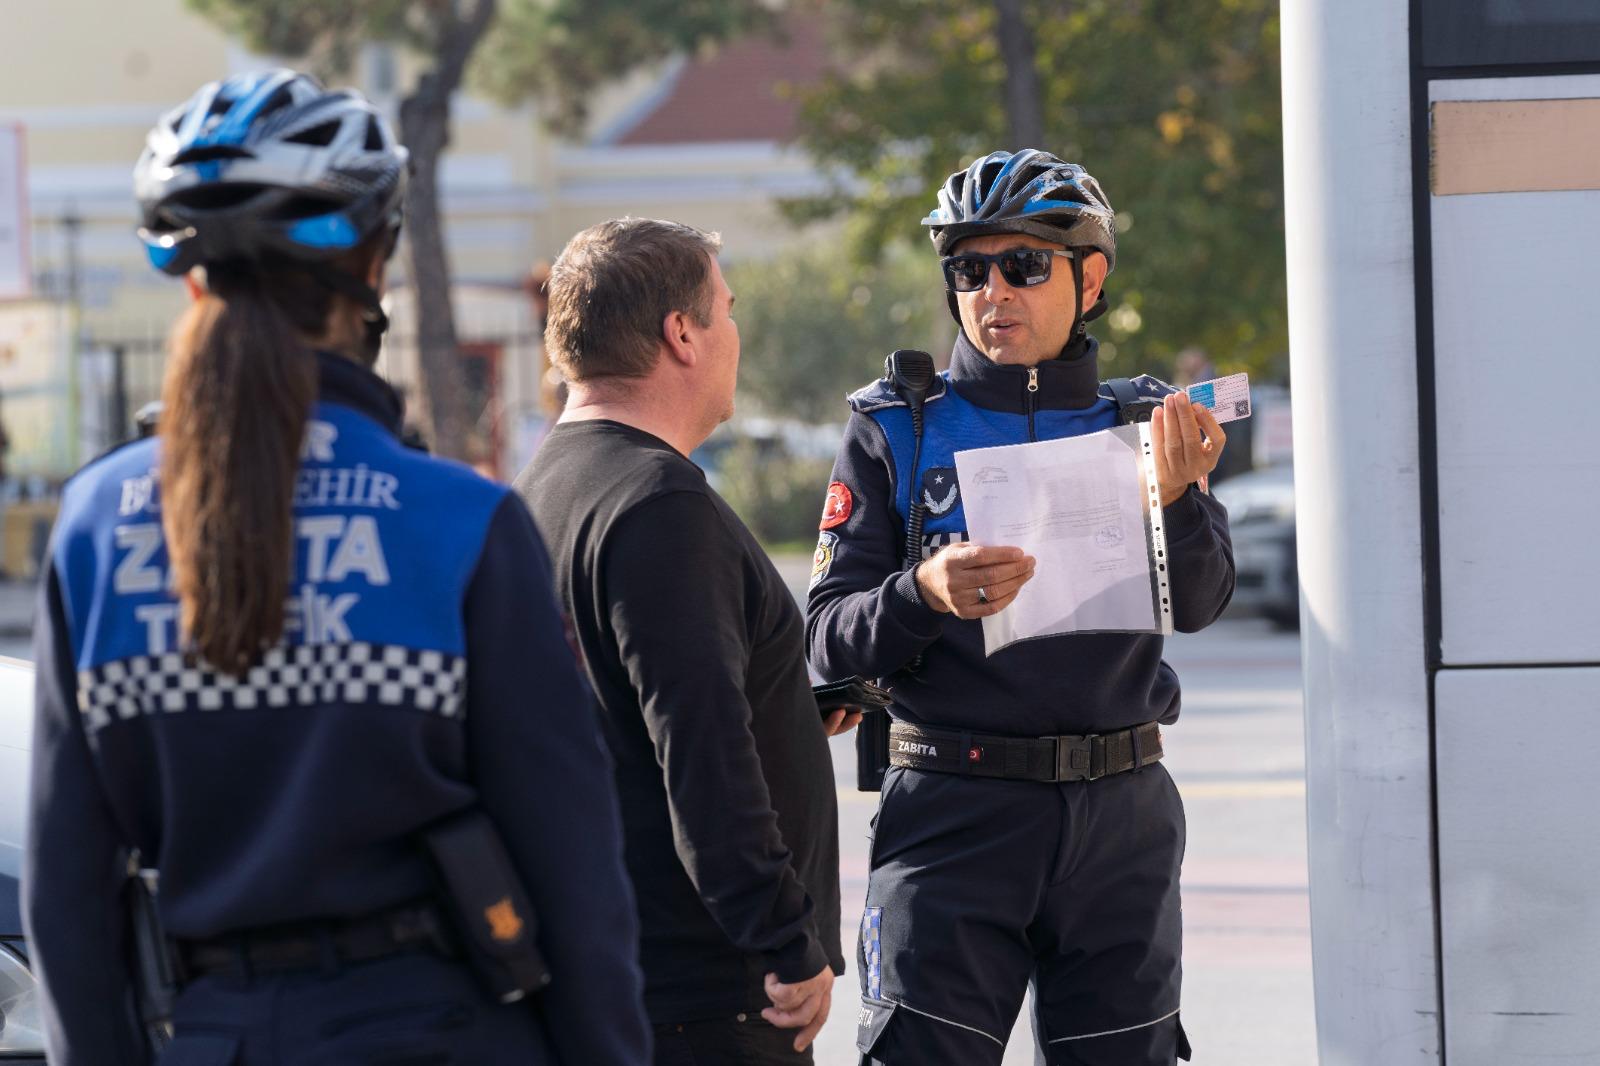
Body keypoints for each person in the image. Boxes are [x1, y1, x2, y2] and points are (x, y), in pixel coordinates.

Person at [22, 70, 648, 1066]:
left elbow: (67, 896)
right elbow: (576, 874)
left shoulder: (95, 525)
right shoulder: (461, 520)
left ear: (188, 279)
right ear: (374, 262)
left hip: (214, 1035)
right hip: (442, 1031)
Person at [806, 149, 1236, 1066]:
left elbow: (1199, 606)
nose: (992, 290)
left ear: (1090, 280)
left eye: (1024, 265)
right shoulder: (897, 426)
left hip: (1122, 815)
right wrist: (920, 594)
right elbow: (824, 638)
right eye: (968, 269)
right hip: (953, 814)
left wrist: (1178, 501)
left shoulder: (1145, 420)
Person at [514, 217, 848, 1066]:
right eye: (726, 310)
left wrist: (787, 706)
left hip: (604, 968)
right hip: (705, 997)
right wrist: (784, 941)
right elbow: (700, 749)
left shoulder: (542, 490)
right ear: (682, 334)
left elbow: (612, 708)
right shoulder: (659, 506)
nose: (735, 332)